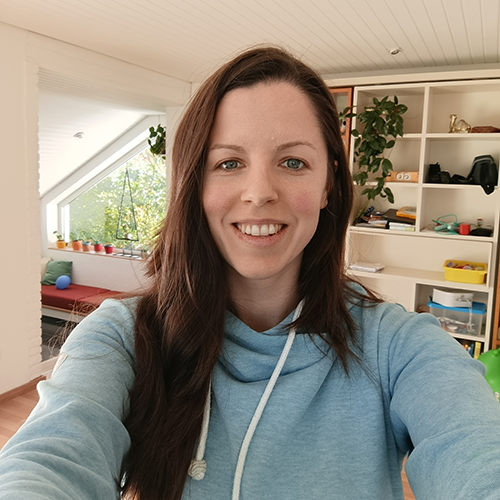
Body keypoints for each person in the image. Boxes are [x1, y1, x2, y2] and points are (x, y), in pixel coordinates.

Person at [1, 46, 500, 500]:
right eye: (228, 163)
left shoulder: (398, 347)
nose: (259, 192)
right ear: (194, 184)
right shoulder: (123, 338)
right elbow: (48, 461)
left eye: (293, 162)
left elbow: (475, 450)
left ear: (328, 185)